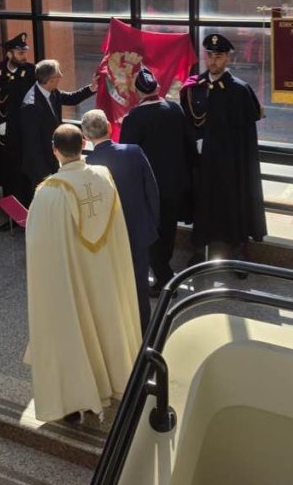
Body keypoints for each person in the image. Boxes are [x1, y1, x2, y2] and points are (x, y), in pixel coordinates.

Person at [24, 123, 141, 423]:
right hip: (104, 274)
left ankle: (79, 398)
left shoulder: (48, 192)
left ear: (54, 150)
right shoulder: (104, 177)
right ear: (84, 144)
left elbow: (40, 248)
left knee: (75, 329)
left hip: (72, 279)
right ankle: (116, 382)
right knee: (106, 323)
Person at [180, 33, 266, 264]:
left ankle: (238, 252)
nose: (213, 61)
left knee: (233, 204)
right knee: (202, 203)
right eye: (210, 56)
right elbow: (188, 121)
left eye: (219, 56)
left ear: (228, 57)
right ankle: (199, 249)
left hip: (231, 163)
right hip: (203, 161)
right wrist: (195, 141)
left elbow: (247, 134)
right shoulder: (195, 87)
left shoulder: (240, 90)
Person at [82, 108, 159, 331]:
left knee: (111, 285)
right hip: (139, 230)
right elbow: (151, 191)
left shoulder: (88, 165)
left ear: (85, 137)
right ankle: (144, 330)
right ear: (109, 127)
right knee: (139, 285)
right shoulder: (133, 152)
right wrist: (152, 225)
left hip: (106, 237)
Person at [120, 67, 195, 296]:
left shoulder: (134, 118)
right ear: (158, 88)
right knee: (168, 231)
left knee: (151, 234)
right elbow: (189, 145)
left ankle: (164, 279)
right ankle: (166, 273)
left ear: (137, 91)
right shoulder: (174, 109)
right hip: (175, 184)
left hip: (149, 188)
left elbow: (127, 156)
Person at [20, 59, 98, 194]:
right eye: (58, 75)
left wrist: (92, 88)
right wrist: (45, 176)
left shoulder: (52, 91)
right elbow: (32, 146)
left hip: (53, 157)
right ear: (50, 80)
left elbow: (71, 98)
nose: (61, 76)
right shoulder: (31, 106)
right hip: (41, 166)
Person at [0, 33, 35, 229]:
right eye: (20, 52)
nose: (24, 56)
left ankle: (30, 217)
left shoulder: (31, 72)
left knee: (25, 176)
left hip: (24, 135)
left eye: (24, 52)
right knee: (8, 177)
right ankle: (12, 218)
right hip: (3, 137)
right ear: (9, 53)